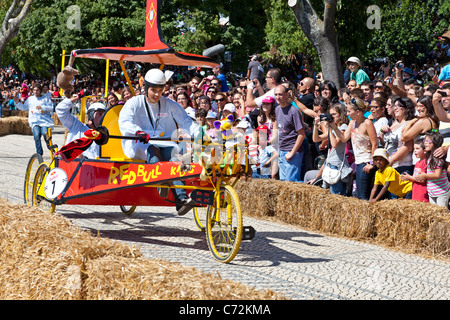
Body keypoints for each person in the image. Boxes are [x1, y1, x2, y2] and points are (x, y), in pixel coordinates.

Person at [118, 68, 198, 215]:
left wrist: (199, 134)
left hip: (165, 142)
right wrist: (138, 131)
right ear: (146, 88)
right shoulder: (134, 102)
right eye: (153, 90)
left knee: (175, 157)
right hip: (140, 142)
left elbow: (187, 122)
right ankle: (162, 179)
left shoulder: (169, 103)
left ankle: (180, 200)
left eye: (160, 90)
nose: (157, 94)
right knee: (153, 151)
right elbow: (124, 121)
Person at [333, 95, 378, 200]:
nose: (347, 114)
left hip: (366, 162)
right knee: (358, 195)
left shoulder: (367, 123)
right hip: (358, 162)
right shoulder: (352, 123)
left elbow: (375, 144)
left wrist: (372, 163)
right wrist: (334, 127)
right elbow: (344, 138)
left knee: (363, 196)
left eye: (349, 111)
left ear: (358, 112)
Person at [313, 103, 353, 195]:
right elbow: (316, 139)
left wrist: (329, 128)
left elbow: (334, 144)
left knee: (337, 196)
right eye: (330, 114)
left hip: (337, 166)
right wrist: (315, 125)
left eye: (334, 114)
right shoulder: (334, 128)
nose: (332, 116)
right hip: (330, 165)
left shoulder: (343, 127)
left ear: (341, 114)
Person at [274, 85, 306, 182]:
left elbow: (301, 134)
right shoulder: (277, 109)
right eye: (275, 94)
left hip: (292, 151)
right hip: (281, 150)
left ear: (287, 94)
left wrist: (292, 152)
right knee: (284, 183)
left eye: (280, 94)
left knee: (291, 182)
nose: (277, 97)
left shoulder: (294, 111)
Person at [15, 84, 54, 156]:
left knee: (45, 134)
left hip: (44, 121)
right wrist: (17, 103)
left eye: (37, 90)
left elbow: (51, 108)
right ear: (32, 91)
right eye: (34, 90)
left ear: (40, 91)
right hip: (35, 121)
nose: (36, 92)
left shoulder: (45, 98)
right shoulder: (30, 99)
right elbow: (23, 107)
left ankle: (51, 148)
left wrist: (42, 107)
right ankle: (39, 153)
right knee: (36, 135)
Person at [414, 131, 450, 208]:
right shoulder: (429, 156)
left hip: (441, 192)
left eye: (428, 141)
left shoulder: (437, 158)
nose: (425, 143)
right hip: (432, 192)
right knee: (434, 214)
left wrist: (424, 176)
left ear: (435, 143)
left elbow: (437, 175)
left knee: (441, 214)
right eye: (424, 141)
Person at [401, 138, 429, 202]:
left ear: (425, 151)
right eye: (414, 149)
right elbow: (415, 177)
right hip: (416, 192)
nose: (415, 151)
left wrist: (410, 177)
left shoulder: (425, 162)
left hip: (422, 194)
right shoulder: (417, 163)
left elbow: (422, 180)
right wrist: (408, 178)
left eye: (417, 149)